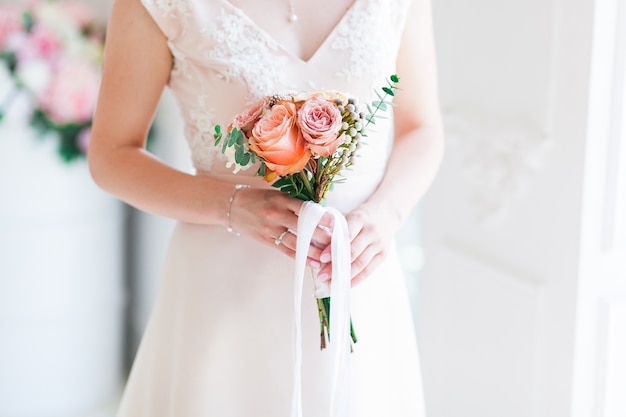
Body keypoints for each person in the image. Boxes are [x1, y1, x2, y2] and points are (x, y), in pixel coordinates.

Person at [88, 0, 444, 415]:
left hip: (358, 275)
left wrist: (387, 214)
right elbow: (111, 156)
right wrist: (234, 205)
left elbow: (422, 127)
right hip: (224, 286)